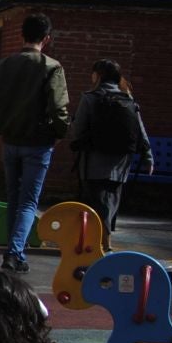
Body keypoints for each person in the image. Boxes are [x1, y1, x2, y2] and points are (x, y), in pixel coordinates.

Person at [0, 13, 68, 274]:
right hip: (38, 142)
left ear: (22, 35)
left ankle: (17, 251)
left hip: (10, 139)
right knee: (28, 202)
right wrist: (59, 132)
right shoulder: (51, 67)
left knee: (13, 198)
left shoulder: (3, 65)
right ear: (46, 38)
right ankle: (14, 253)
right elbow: (59, 108)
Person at [67, 59, 153, 250]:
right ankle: (104, 238)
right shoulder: (128, 98)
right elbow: (140, 129)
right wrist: (148, 156)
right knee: (111, 200)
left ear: (98, 75)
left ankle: (102, 242)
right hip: (121, 162)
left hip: (93, 160)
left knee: (95, 201)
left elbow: (78, 129)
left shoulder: (90, 98)